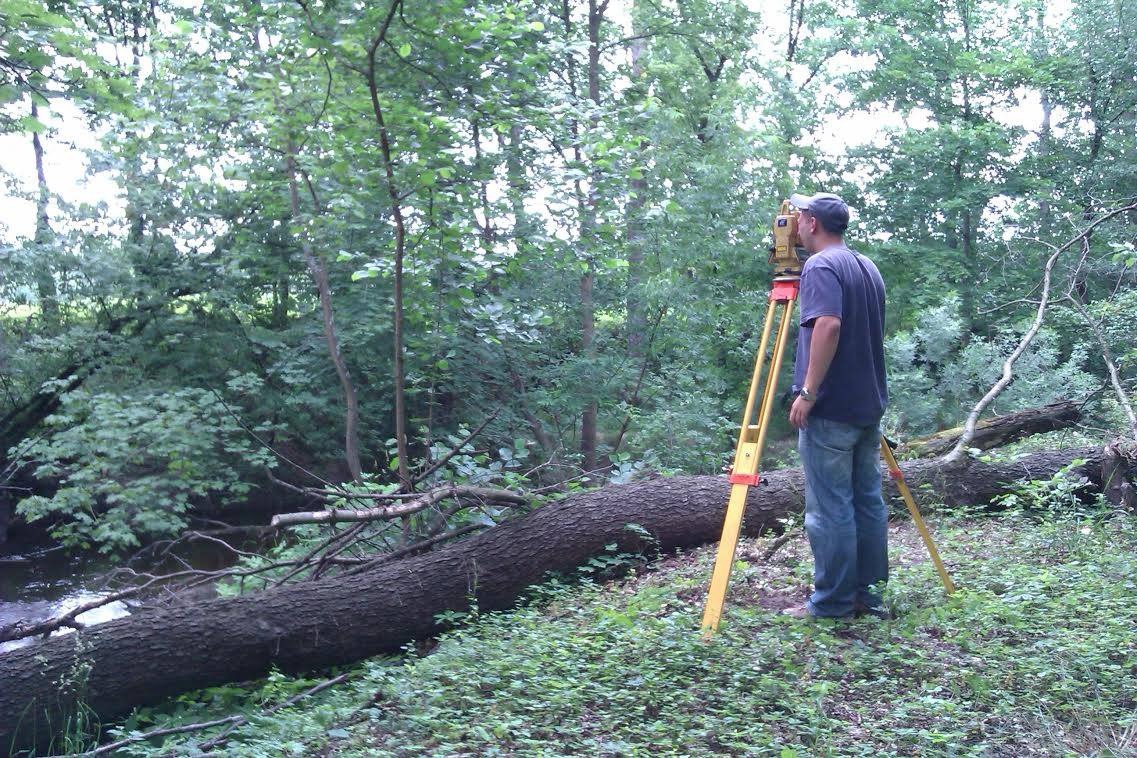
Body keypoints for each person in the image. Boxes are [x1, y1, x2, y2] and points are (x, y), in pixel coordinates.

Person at [783, 192, 890, 619]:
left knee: (829, 511)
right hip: (868, 406)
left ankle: (832, 604)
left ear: (811, 223)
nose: (793, 224)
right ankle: (870, 595)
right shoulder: (868, 266)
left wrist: (807, 392)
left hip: (832, 409)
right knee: (867, 503)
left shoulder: (821, 265)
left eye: (799, 217)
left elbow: (828, 325)